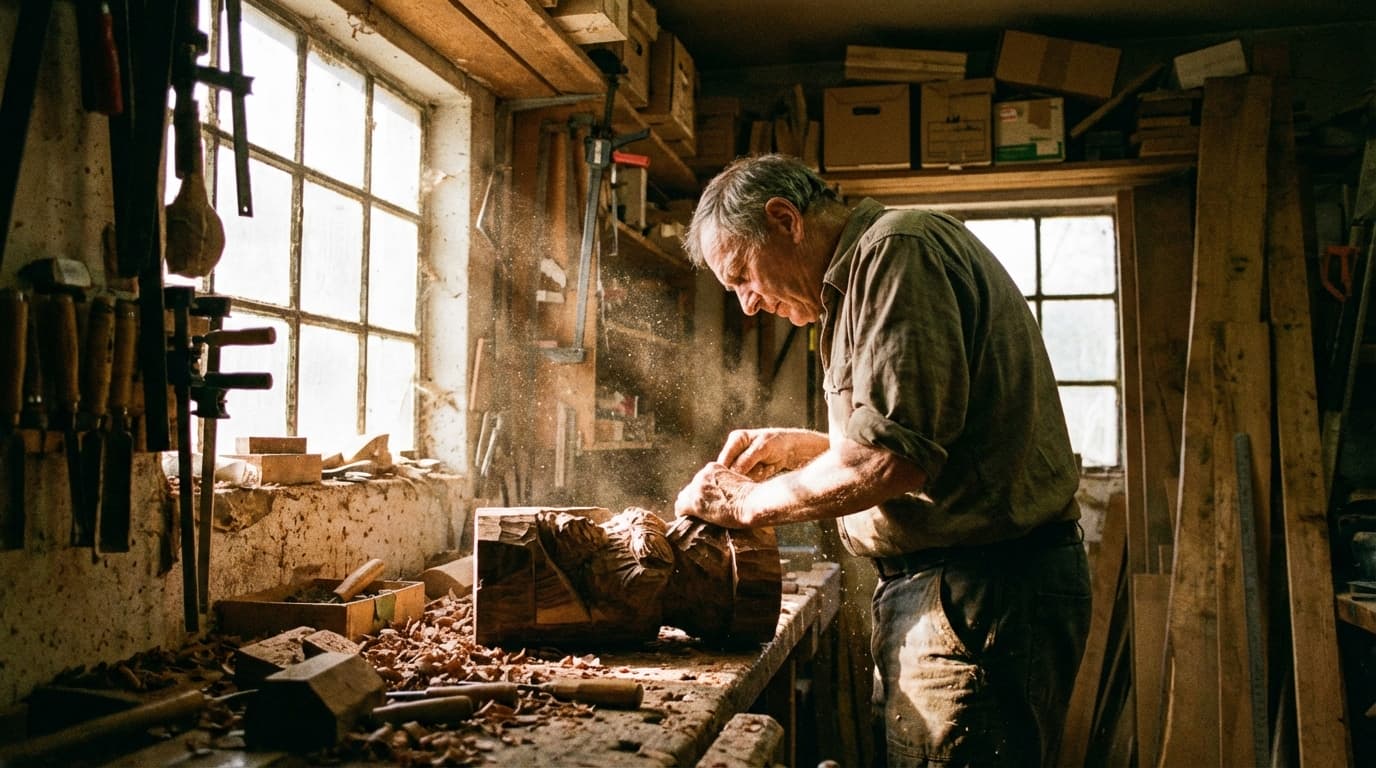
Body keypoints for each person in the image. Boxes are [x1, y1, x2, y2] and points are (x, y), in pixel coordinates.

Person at [673, 153, 1091, 767]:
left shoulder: (898, 253)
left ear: (785, 219)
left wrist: (746, 502)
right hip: (965, 585)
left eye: (742, 277)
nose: (747, 305)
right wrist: (806, 448)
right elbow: (931, 444)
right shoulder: (862, 278)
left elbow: (892, 460)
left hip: (979, 591)